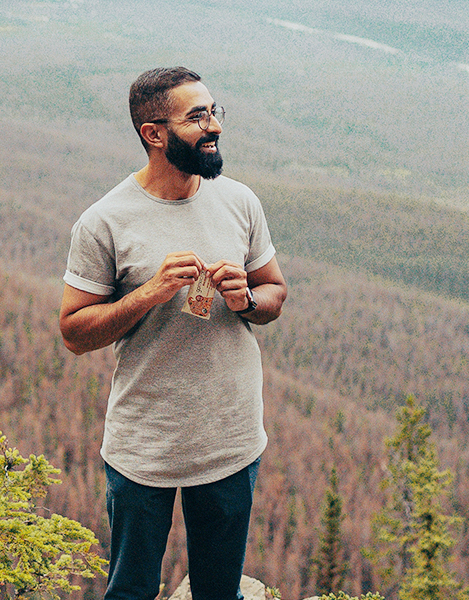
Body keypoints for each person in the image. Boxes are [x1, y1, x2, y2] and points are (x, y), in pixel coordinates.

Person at [59, 66, 287, 600]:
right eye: (197, 116)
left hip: (230, 439)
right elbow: (73, 332)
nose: (214, 127)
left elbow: (275, 292)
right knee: (133, 589)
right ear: (154, 134)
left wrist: (247, 300)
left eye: (214, 111)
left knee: (217, 591)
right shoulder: (104, 222)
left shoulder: (239, 200)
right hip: (146, 445)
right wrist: (148, 293)